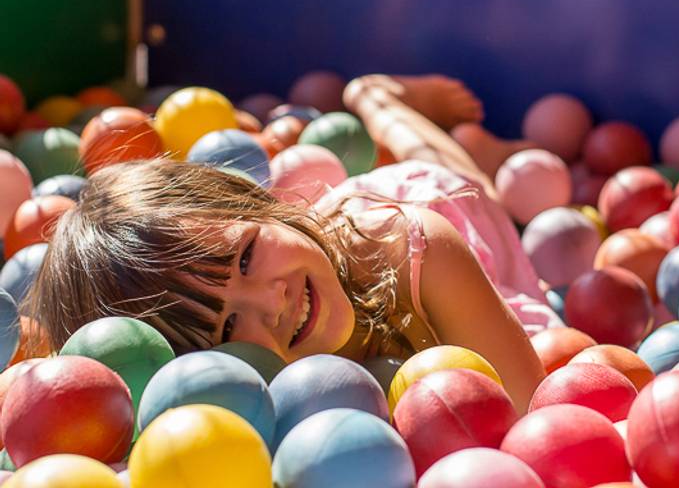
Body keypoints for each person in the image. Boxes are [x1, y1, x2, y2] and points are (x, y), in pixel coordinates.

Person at [25, 74, 555, 413]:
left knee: (478, 184)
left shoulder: (413, 248)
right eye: (228, 328)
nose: (271, 302)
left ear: (256, 207)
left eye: (248, 256)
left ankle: (379, 98)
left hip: (438, 207)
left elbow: (530, 414)